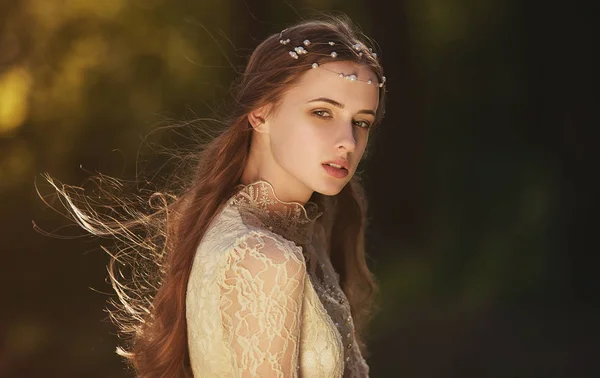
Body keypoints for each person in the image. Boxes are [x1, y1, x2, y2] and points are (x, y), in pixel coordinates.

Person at [43, 14, 386, 378]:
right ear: (260, 112)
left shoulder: (277, 236)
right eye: (322, 112)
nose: (348, 142)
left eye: (361, 122)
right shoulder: (267, 259)